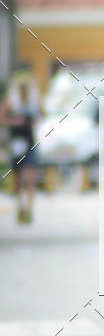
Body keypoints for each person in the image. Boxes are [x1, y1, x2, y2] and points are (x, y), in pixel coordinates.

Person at [0, 68, 41, 223]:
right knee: (19, 178)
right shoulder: (10, 100)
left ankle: (29, 209)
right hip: (16, 141)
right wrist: (14, 121)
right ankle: (20, 206)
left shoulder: (34, 99)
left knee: (30, 176)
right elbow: (1, 118)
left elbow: (42, 112)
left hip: (30, 141)